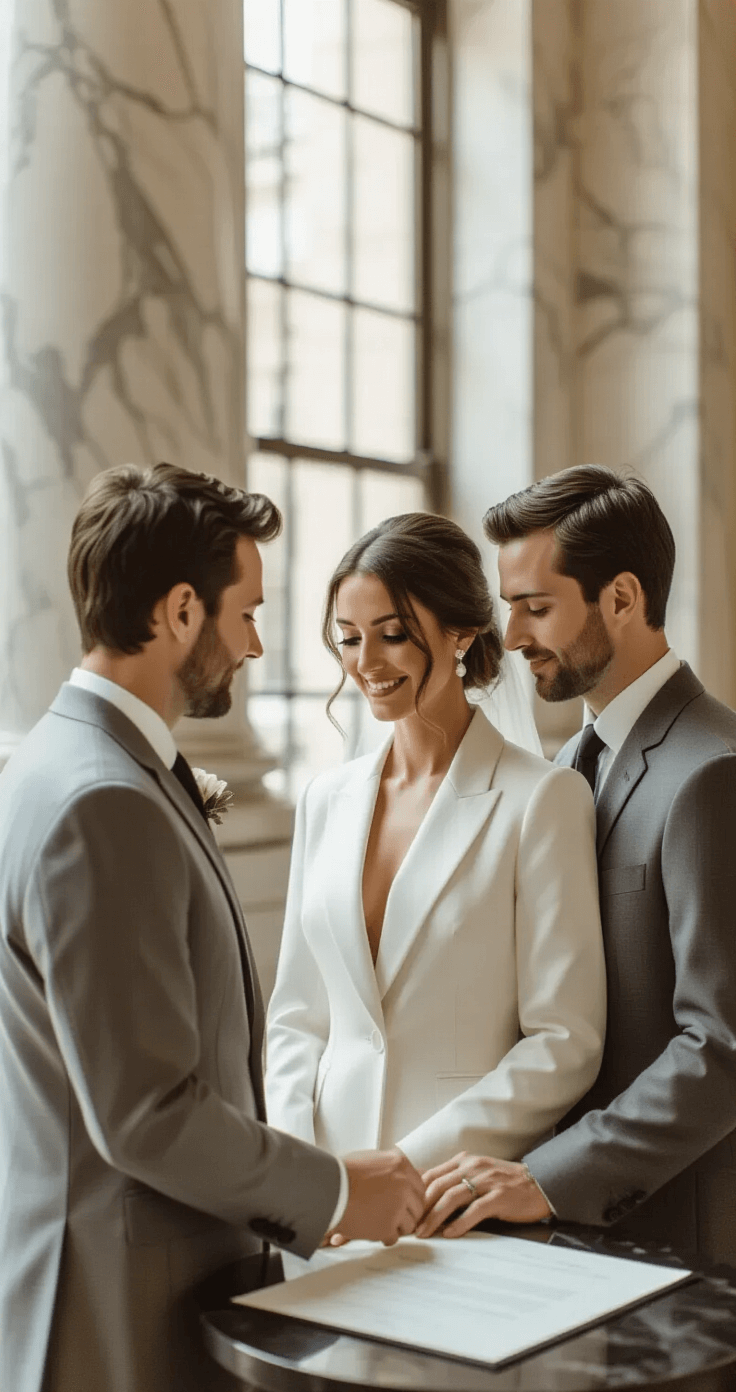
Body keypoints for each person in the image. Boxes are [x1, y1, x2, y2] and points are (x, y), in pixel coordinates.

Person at [0, 463, 426, 1392]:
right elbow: (146, 1114)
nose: (256, 645)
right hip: (119, 1307)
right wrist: (340, 1192)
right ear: (182, 611)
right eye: (247, 613)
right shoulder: (102, 801)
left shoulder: (58, 761)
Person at [418, 465, 736, 1263]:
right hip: (561, 1220)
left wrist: (551, 1178)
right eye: (509, 607)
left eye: (536, 607)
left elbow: (722, 1044)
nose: (513, 636)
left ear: (621, 598)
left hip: (678, 1232)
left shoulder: (712, 772)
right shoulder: (566, 767)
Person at [265, 512, 606, 1196]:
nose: (366, 663)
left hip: (454, 1186)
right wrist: (309, 1176)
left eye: (392, 635)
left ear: (461, 632)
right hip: (325, 1192)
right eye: (349, 638)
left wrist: (406, 1168)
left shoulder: (542, 799)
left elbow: (565, 1040)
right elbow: (297, 1017)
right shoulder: (324, 800)